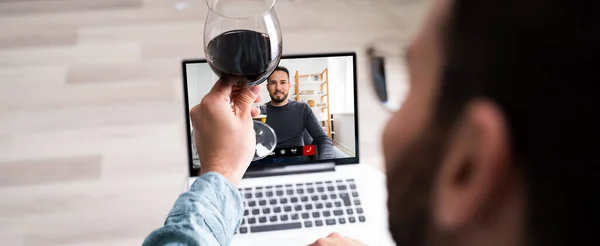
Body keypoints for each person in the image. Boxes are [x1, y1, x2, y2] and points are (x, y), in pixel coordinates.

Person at [143, 0, 598, 245]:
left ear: (469, 165)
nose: (388, 119)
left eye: (408, 81)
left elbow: (322, 143)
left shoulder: (302, 113)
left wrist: (220, 174)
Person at [261, 66, 334, 160]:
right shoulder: (260, 112)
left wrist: (326, 161)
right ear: (267, 87)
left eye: (283, 82)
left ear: (289, 85)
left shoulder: (303, 108)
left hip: (296, 161)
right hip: (268, 163)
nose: (278, 87)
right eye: (273, 83)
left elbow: (323, 139)